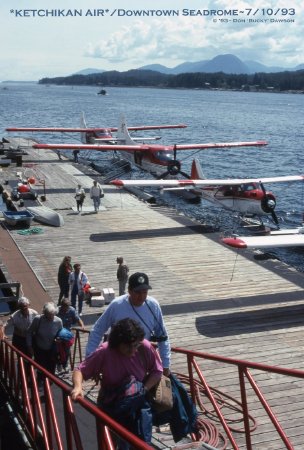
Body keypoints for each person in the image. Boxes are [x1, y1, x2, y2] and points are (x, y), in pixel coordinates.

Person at [71, 318, 162, 447]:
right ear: (117, 343)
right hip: (111, 403)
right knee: (109, 443)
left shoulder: (144, 347)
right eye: (127, 347)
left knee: (140, 442)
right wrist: (78, 387)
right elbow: (80, 370)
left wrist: (144, 389)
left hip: (136, 402)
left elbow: (157, 371)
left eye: (135, 345)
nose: (132, 350)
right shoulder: (105, 351)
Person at [85, 272, 171, 375]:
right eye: (138, 292)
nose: (142, 296)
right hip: (116, 360)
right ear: (129, 291)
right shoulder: (116, 305)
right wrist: (90, 358)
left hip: (140, 361)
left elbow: (162, 336)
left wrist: (165, 364)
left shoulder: (154, 305)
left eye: (145, 292)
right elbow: (97, 330)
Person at [26, 302, 63, 378]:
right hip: (40, 349)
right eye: (48, 315)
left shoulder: (58, 321)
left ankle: (49, 384)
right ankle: (40, 383)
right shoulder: (38, 319)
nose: (50, 318)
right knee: (41, 369)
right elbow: (29, 332)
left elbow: (61, 333)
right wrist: (29, 346)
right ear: (44, 313)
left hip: (52, 349)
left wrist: (60, 339)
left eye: (52, 315)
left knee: (51, 369)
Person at [56, 298, 84, 373]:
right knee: (58, 349)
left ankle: (65, 365)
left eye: (67, 306)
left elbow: (78, 319)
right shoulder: (57, 311)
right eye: (64, 306)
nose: (66, 308)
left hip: (67, 333)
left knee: (67, 350)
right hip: (58, 333)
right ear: (61, 306)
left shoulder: (71, 310)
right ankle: (58, 363)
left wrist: (82, 326)